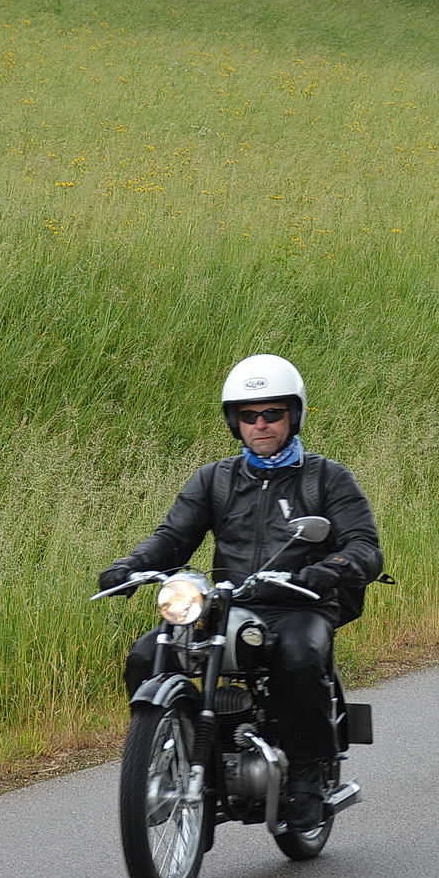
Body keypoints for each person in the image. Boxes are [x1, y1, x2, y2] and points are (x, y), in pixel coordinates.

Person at [98, 354, 384, 830]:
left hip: (299, 603)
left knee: (297, 658)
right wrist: (130, 566)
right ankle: (174, 757)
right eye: (249, 415)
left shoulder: (327, 478)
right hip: (231, 603)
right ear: (235, 422)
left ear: (293, 415)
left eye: (272, 413)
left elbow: (365, 547)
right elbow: (172, 538)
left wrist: (329, 568)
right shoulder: (215, 479)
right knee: (148, 653)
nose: (261, 424)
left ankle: (307, 777)